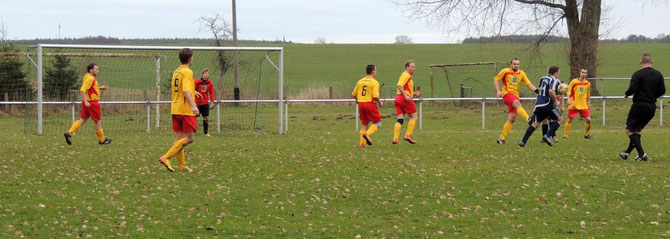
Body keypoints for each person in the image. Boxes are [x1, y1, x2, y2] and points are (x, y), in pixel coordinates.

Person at [159, 48, 200, 172]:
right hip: (185, 109)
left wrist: (194, 92)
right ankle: (166, 157)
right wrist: (193, 106)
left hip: (175, 108)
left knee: (179, 138)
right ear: (189, 59)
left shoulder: (177, 71)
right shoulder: (187, 72)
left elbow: (182, 88)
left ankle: (182, 165)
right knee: (189, 138)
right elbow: (186, 90)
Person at [619, 53, 666, 161]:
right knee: (637, 131)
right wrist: (653, 96)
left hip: (639, 105)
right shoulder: (658, 74)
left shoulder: (638, 74)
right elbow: (662, 90)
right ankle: (627, 153)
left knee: (629, 130)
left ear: (641, 62)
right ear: (652, 62)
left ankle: (642, 154)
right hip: (651, 107)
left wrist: (626, 94)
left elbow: (632, 89)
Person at [64, 63, 112, 145]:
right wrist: (86, 102)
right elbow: (82, 90)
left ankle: (69, 133)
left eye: (98, 69)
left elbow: (88, 88)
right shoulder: (90, 78)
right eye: (96, 69)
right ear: (91, 70)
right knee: (98, 121)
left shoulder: (87, 76)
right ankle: (102, 140)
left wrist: (99, 88)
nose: (98, 71)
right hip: (92, 103)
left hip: (87, 102)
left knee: (83, 119)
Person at [494, 58, 539, 144]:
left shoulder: (521, 73)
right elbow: (496, 80)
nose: (516, 65)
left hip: (515, 97)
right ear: (511, 64)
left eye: (518, 64)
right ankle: (528, 119)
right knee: (517, 103)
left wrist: (537, 91)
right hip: (507, 95)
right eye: (514, 64)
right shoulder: (505, 71)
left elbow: (528, 84)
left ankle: (501, 139)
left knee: (512, 118)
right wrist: (498, 91)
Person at [518, 66, 562, 147]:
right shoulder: (553, 79)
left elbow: (542, 91)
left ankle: (523, 141)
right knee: (560, 119)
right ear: (556, 73)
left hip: (538, 104)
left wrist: (555, 96)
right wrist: (556, 100)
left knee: (535, 124)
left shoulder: (543, 79)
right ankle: (547, 136)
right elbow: (550, 91)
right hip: (547, 104)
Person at [352, 64, 383, 148]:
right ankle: (367, 134)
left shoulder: (360, 81)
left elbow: (354, 94)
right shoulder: (374, 82)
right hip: (369, 104)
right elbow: (375, 96)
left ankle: (362, 144)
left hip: (361, 104)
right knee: (378, 123)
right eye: (375, 70)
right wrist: (380, 102)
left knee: (365, 124)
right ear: (373, 71)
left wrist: (358, 101)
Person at [392, 60, 421, 144]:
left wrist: (414, 93)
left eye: (414, 67)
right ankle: (408, 135)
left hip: (398, 99)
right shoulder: (406, 75)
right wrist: (405, 96)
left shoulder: (405, 75)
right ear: (407, 67)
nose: (414, 69)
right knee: (414, 117)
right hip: (404, 99)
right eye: (412, 67)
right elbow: (399, 85)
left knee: (400, 119)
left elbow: (405, 88)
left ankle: (395, 138)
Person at [563, 68, 593, 140]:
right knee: (570, 119)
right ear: (580, 73)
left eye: (585, 73)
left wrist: (589, 103)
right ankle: (565, 136)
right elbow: (569, 92)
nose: (584, 74)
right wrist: (568, 99)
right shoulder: (574, 81)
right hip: (574, 104)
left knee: (588, 120)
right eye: (582, 72)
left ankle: (586, 135)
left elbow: (588, 94)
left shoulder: (587, 83)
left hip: (583, 105)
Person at [195, 68, 215, 136]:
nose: (207, 75)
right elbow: (192, 91)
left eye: (208, 73)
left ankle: (206, 132)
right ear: (202, 74)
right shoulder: (197, 82)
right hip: (197, 103)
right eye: (206, 73)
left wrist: (212, 102)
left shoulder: (210, 83)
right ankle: (192, 132)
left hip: (205, 103)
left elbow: (211, 93)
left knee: (205, 117)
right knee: (194, 117)